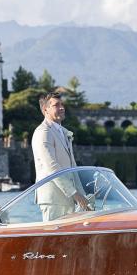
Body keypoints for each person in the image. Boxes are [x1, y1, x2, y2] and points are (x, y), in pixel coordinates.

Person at [31, 92, 89, 221]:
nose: (62, 107)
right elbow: (51, 166)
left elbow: (73, 168)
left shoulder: (63, 132)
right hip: (53, 199)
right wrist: (75, 194)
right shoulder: (43, 132)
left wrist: (83, 198)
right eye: (57, 105)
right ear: (45, 109)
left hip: (70, 199)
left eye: (62, 104)